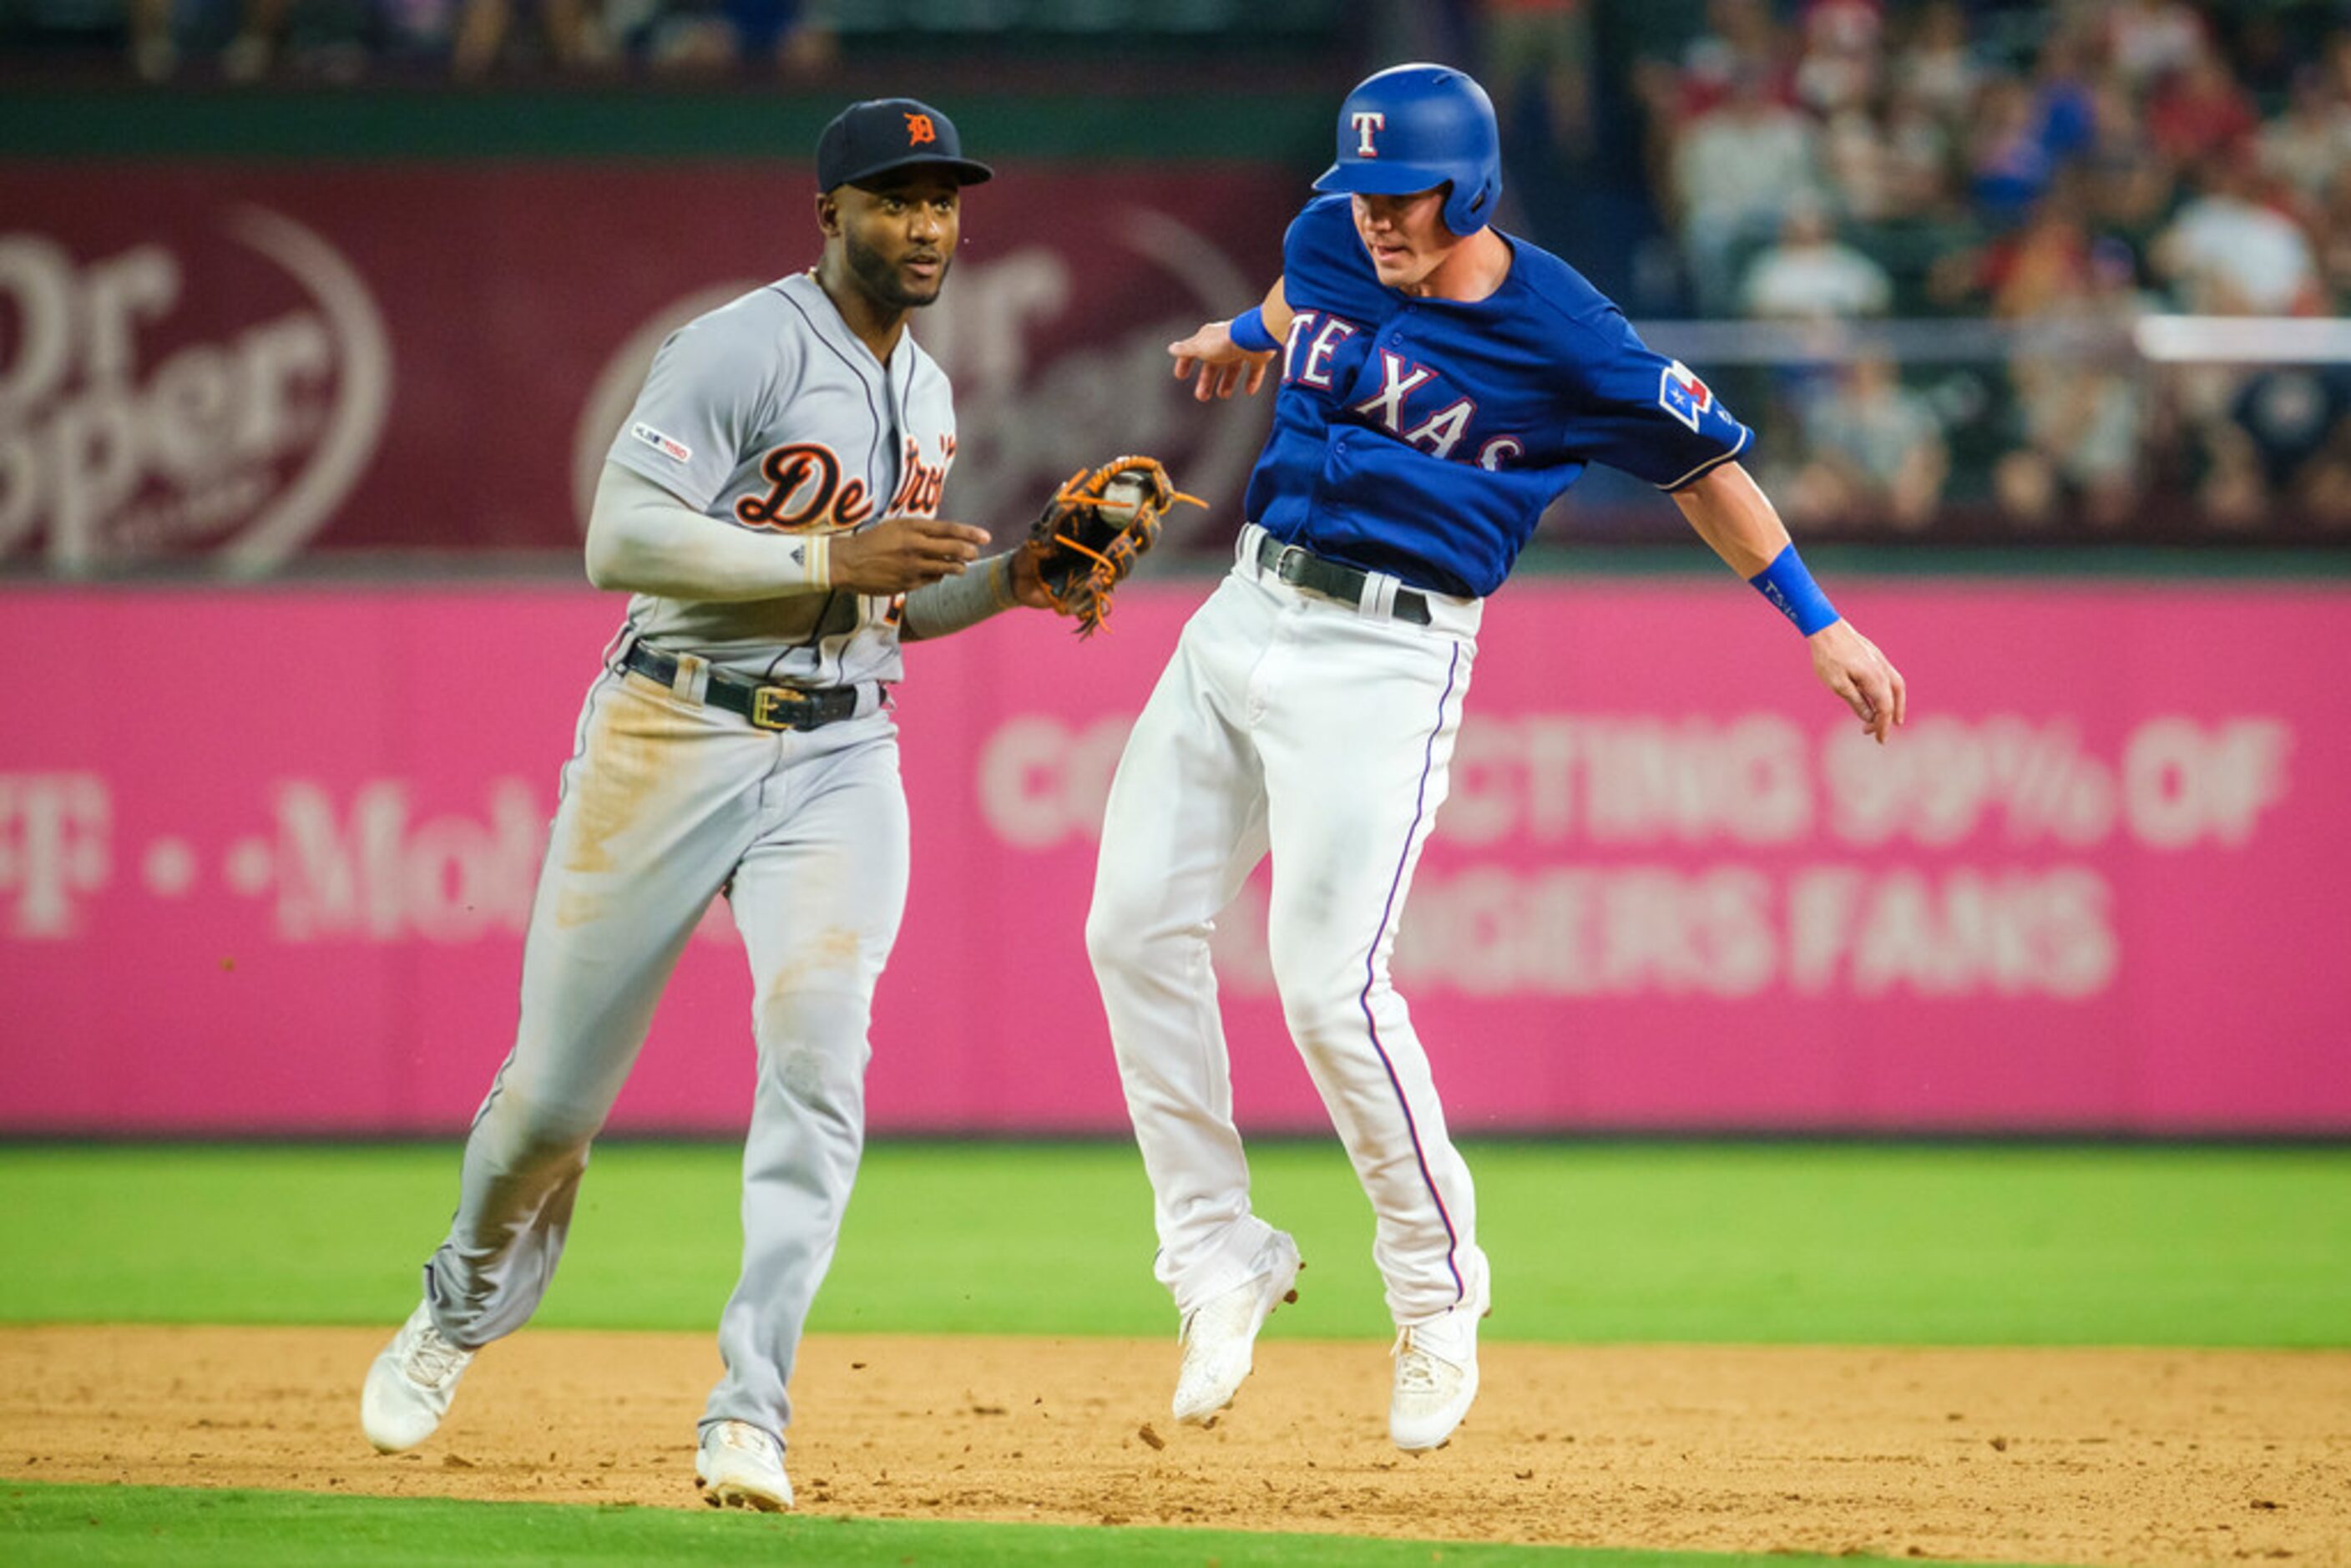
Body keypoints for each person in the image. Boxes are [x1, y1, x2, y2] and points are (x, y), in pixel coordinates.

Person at [1084, 62, 1904, 1455]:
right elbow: (1304, 301)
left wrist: (1816, 621)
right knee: (1126, 930)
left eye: (1401, 195)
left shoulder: (1566, 334)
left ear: (1465, 187)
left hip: (1390, 655)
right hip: (1243, 610)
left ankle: (1436, 1288)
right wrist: (1240, 328)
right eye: (1360, 193)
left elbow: (1704, 465)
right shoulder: (1332, 238)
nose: (1375, 220)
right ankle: (1217, 1254)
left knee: (1328, 989)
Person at [359, 97, 1049, 1511]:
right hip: (671, 726)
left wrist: (1023, 579)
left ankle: (752, 1409)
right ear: (829, 215)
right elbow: (619, 536)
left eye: (943, 199)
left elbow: (884, 609)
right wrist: (827, 557)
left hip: (846, 757)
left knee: (821, 1063)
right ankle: (459, 1298)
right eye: (894, 197)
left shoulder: (929, 389)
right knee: (553, 1102)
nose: (925, 224)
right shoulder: (740, 344)